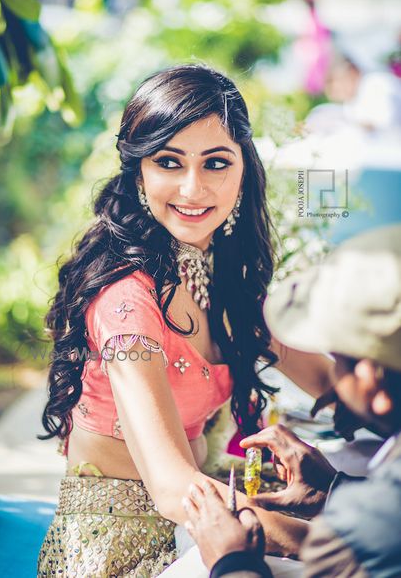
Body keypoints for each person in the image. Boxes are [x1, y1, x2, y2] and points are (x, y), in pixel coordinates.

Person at [36, 64, 333, 576]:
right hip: (126, 545)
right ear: (139, 172)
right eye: (169, 162)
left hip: (209, 513)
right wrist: (334, 540)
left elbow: (330, 380)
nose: (193, 189)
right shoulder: (125, 302)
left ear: (244, 170)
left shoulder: (223, 277)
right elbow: (175, 489)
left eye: (216, 163)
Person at [184, 223, 401, 578]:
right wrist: (333, 491)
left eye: (339, 361)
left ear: (372, 383)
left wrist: (233, 562)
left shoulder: (374, 515)